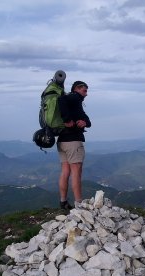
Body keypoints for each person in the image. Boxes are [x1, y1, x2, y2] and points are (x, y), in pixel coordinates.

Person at [57, 81, 91, 210]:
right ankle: (79, 205)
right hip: (73, 141)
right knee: (76, 172)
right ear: (77, 89)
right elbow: (61, 99)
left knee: (65, 171)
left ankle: (63, 202)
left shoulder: (76, 103)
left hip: (62, 141)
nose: (86, 94)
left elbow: (88, 121)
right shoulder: (74, 97)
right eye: (84, 90)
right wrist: (67, 120)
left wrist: (84, 122)